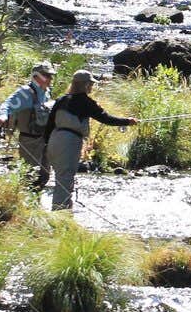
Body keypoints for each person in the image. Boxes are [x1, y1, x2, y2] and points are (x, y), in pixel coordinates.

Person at [42, 69, 138, 211]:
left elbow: (49, 124)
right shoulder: (86, 102)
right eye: (91, 84)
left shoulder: (61, 100)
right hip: (69, 142)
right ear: (85, 85)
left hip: (54, 141)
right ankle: (59, 214)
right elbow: (106, 118)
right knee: (65, 179)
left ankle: (65, 210)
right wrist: (127, 121)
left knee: (60, 177)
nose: (92, 87)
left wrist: (46, 144)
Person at [0, 61, 55, 186]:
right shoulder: (24, 93)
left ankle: (35, 202)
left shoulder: (46, 92)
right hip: (29, 141)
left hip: (45, 139)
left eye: (51, 76)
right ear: (36, 76)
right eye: (47, 75)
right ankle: (22, 201)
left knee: (45, 174)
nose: (50, 78)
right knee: (30, 175)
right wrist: (3, 116)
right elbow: (7, 105)